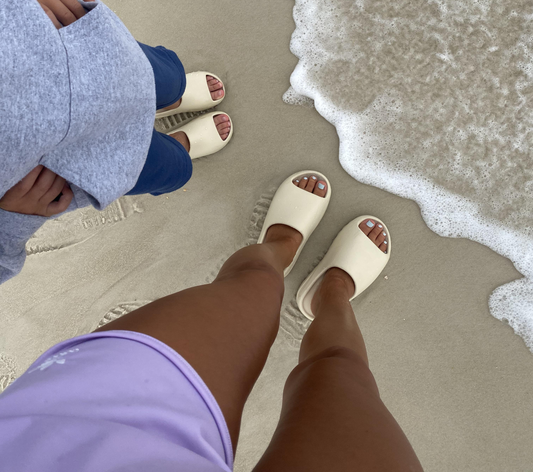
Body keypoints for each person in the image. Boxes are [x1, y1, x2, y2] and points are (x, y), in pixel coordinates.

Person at [0, 172, 424, 472]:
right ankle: (333, 294)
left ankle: (279, 248)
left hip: (65, 435)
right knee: (340, 369)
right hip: (90, 436)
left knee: (250, 287)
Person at [0, 0, 233, 284]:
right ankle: (174, 136)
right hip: (59, 170)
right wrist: (8, 225)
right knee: (173, 168)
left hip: (70, 47)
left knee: (164, 75)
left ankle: (167, 99)